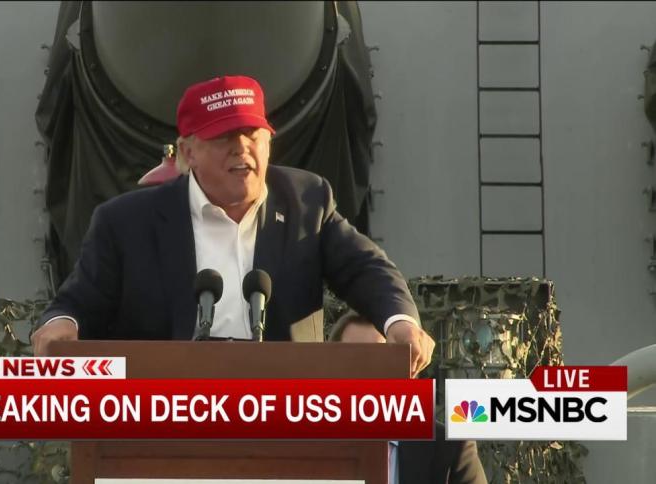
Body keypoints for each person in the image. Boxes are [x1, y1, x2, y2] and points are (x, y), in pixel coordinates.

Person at [32, 74, 434, 377]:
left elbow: (365, 268)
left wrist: (400, 322)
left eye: (251, 134)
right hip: (165, 418)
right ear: (188, 151)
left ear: (269, 143)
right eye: (224, 137)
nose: (242, 148)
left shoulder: (306, 201)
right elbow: (79, 300)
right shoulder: (125, 222)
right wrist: (60, 324)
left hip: (285, 416)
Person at [330, 311, 488, 484]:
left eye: (381, 358)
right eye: (355, 360)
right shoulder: (312, 444)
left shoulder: (450, 450)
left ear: (410, 369)